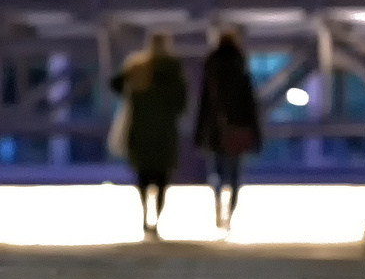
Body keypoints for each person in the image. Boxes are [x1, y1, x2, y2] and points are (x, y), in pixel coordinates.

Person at [110, 31, 187, 237]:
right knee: (162, 179)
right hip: (165, 133)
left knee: (143, 178)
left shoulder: (137, 67)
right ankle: (157, 219)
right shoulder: (173, 69)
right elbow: (182, 102)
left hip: (140, 131)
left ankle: (145, 216)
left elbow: (115, 84)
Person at [194, 27, 262, 230]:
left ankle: (217, 206)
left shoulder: (211, 70)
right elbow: (250, 106)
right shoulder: (241, 69)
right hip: (237, 128)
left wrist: (200, 133)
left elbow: (204, 105)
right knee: (234, 175)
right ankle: (229, 216)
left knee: (216, 171)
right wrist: (256, 134)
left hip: (214, 129)